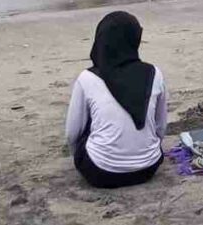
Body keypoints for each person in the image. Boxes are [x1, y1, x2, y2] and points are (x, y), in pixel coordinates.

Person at [65, 11, 167, 189]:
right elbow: (160, 127)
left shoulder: (87, 78)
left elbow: (72, 133)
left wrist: (79, 156)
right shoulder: (154, 73)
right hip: (149, 168)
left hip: (101, 173)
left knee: (89, 123)